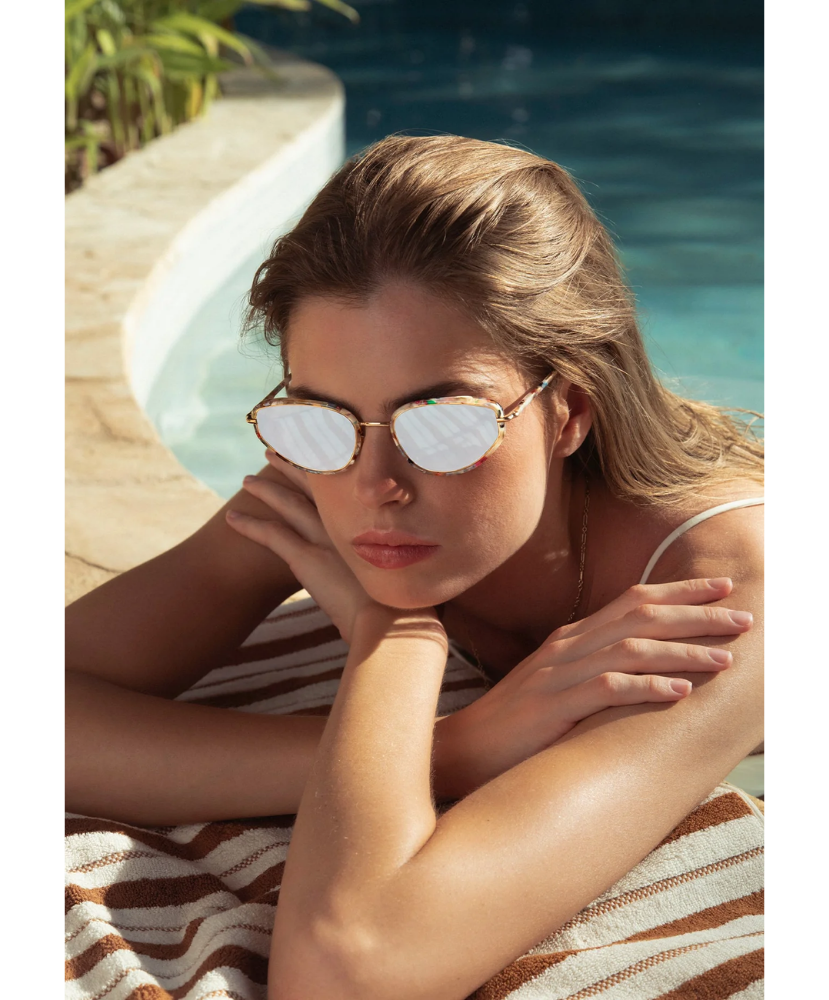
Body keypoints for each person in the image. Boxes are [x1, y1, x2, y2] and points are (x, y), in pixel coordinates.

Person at [64, 136, 764, 999]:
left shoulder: (719, 590)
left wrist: (385, 630)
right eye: (319, 414)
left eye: (443, 423)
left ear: (570, 412)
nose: (375, 487)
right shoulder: (328, 470)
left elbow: (345, 971)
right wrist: (445, 733)